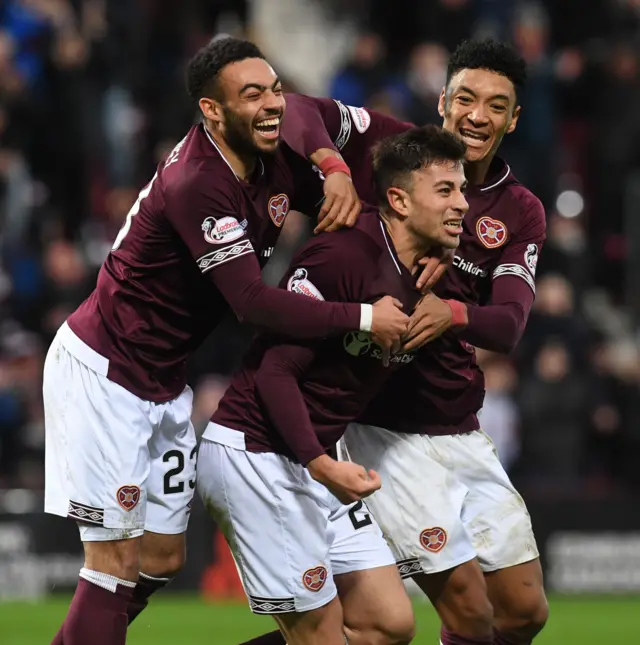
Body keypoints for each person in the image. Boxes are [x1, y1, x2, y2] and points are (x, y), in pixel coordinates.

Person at [42, 37, 409, 645]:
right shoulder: (199, 183)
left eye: (272, 89)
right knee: (113, 566)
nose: (271, 105)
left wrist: (336, 166)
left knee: (161, 559)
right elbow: (252, 304)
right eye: (252, 95)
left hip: (162, 382)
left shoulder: (273, 139)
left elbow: (306, 112)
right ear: (212, 111)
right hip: (104, 376)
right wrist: (366, 319)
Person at [275, 38, 549, 645]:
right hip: (383, 429)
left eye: (496, 106)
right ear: (444, 99)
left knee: (525, 612)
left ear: (513, 119)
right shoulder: (394, 150)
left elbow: (506, 325)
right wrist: (337, 169)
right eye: (468, 99)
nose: (478, 116)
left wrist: (452, 309)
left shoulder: (520, 210)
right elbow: (294, 108)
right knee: (465, 615)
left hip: (461, 427)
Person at [197, 125, 469, 645]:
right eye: (446, 191)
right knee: (319, 638)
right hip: (257, 452)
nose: (462, 204)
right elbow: (276, 372)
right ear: (398, 200)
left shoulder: (425, 270)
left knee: (387, 625)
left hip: (316, 457)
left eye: (461, 190)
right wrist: (322, 465)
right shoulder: (342, 257)